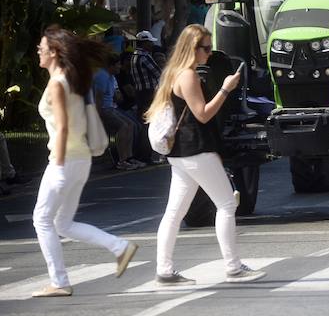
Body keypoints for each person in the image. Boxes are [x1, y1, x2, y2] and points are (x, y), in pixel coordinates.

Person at [146, 24, 266, 285]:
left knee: (174, 213)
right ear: (192, 48)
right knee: (225, 204)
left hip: (180, 153)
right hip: (196, 149)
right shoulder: (187, 76)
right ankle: (233, 266)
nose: (209, 54)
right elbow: (203, 113)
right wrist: (226, 88)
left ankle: (164, 270)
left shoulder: (173, 73)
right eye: (205, 48)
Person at [32, 26, 139, 297]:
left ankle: (59, 282)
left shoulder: (58, 83)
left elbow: (64, 127)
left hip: (65, 160)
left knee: (42, 220)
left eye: (42, 48)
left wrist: (56, 165)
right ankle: (120, 247)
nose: (38, 52)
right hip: (80, 160)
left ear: (54, 52)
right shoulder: (75, 78)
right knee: (62, 224)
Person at [92, 54, 144, 170]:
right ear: (110, 66)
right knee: (123, 126)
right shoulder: (102, 76)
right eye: (118, 65)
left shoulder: (111, 77)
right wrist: (97, 116)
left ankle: (128, 157)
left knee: (130, 125)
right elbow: (98, 98)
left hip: (111, 107)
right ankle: (121, 160)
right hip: (104, 109)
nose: (120, 67)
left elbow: (116, 96)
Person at [131, 31, 161, 162]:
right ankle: (146, 155)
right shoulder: (145, 57)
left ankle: (140, 154)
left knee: (143, 123)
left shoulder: (134, 57)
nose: (151, 44)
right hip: (149, 93)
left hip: (140, 93)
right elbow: (158, 73)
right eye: (149, 42)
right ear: (144, 43)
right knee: (149, 124)